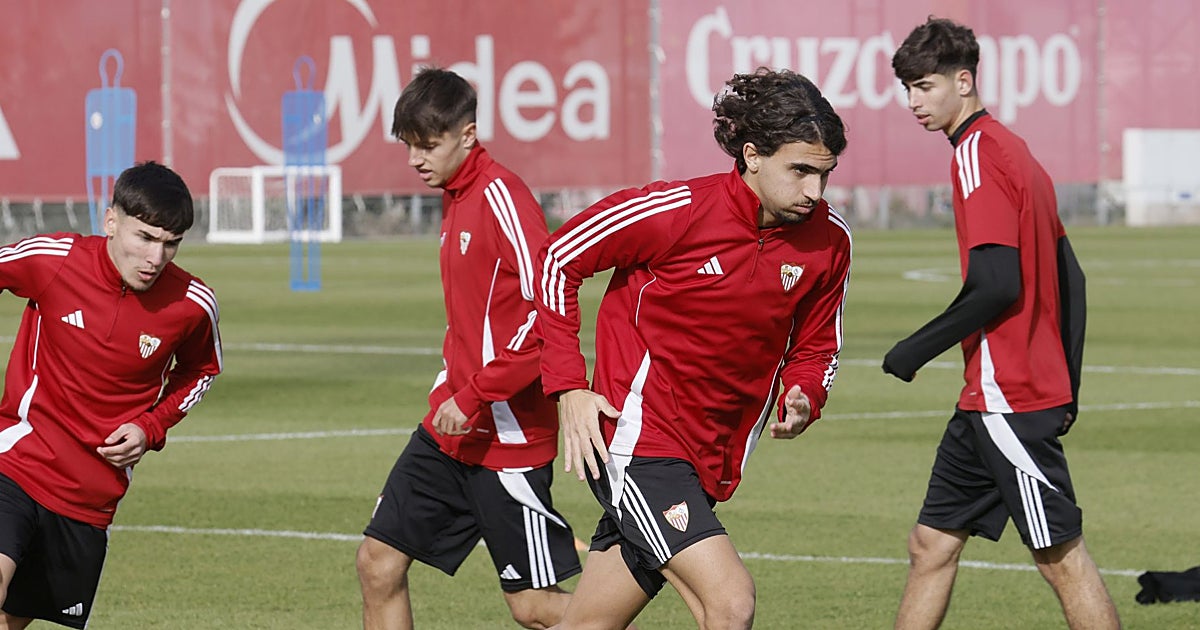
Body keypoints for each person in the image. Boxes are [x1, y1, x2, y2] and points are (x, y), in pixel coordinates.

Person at [534, 67, 852, 629]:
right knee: (730, 602)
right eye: (800, 171)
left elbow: (817, 345)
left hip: (710, 454)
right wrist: (569, 387)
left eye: (824, 174)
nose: (814, 192)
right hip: (637, 439)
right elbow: (558, 259)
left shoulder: (831, 241)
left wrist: (804, 393)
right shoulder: (674, 211)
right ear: (753, 156)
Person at [884, 17, 1120, 630]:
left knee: (1061, 559)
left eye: (925, 86)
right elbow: (1072, 277)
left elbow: (997, 285)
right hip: (989, 400)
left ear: (963, 82)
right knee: (930, 545)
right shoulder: (1016, 150)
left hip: (1007, 396)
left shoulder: (977, 156)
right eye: (907, 88)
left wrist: (914, 349)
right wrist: (1070, 386)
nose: (913, 102)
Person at [355, 67, 582, 630]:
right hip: (450, 428)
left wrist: (478, 393)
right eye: (409, 145)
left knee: (534, 607)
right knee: (378, 564)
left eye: (428, 145)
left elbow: (549, 312)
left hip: (508, 436)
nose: (415, 159)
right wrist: (453, 389)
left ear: (468, 134)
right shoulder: (454, 197)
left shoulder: (503, 197)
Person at [0, 161, 223, 629]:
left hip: (90, 496)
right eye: (145, 237)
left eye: (170, 243)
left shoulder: (192, 305)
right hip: (16, 462)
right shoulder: (56, 260)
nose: (155, 258)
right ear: (111, 221)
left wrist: (150, 427)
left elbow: (201, 371)